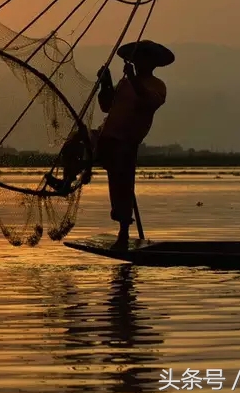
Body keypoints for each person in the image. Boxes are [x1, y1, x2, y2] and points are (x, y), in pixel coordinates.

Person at [47, 40, 172, 246]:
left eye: (144, 58)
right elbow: (106, 105)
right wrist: (106, 82)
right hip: (105, 134)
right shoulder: (124, 83)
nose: (139, 62)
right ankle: (67, 181)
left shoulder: (157, 86)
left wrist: (133, 78)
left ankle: (123, 234)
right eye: (137, 58)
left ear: (153, 63)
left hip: (126, 142)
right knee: (75, 140)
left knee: (121, 186)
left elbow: (147, 101)